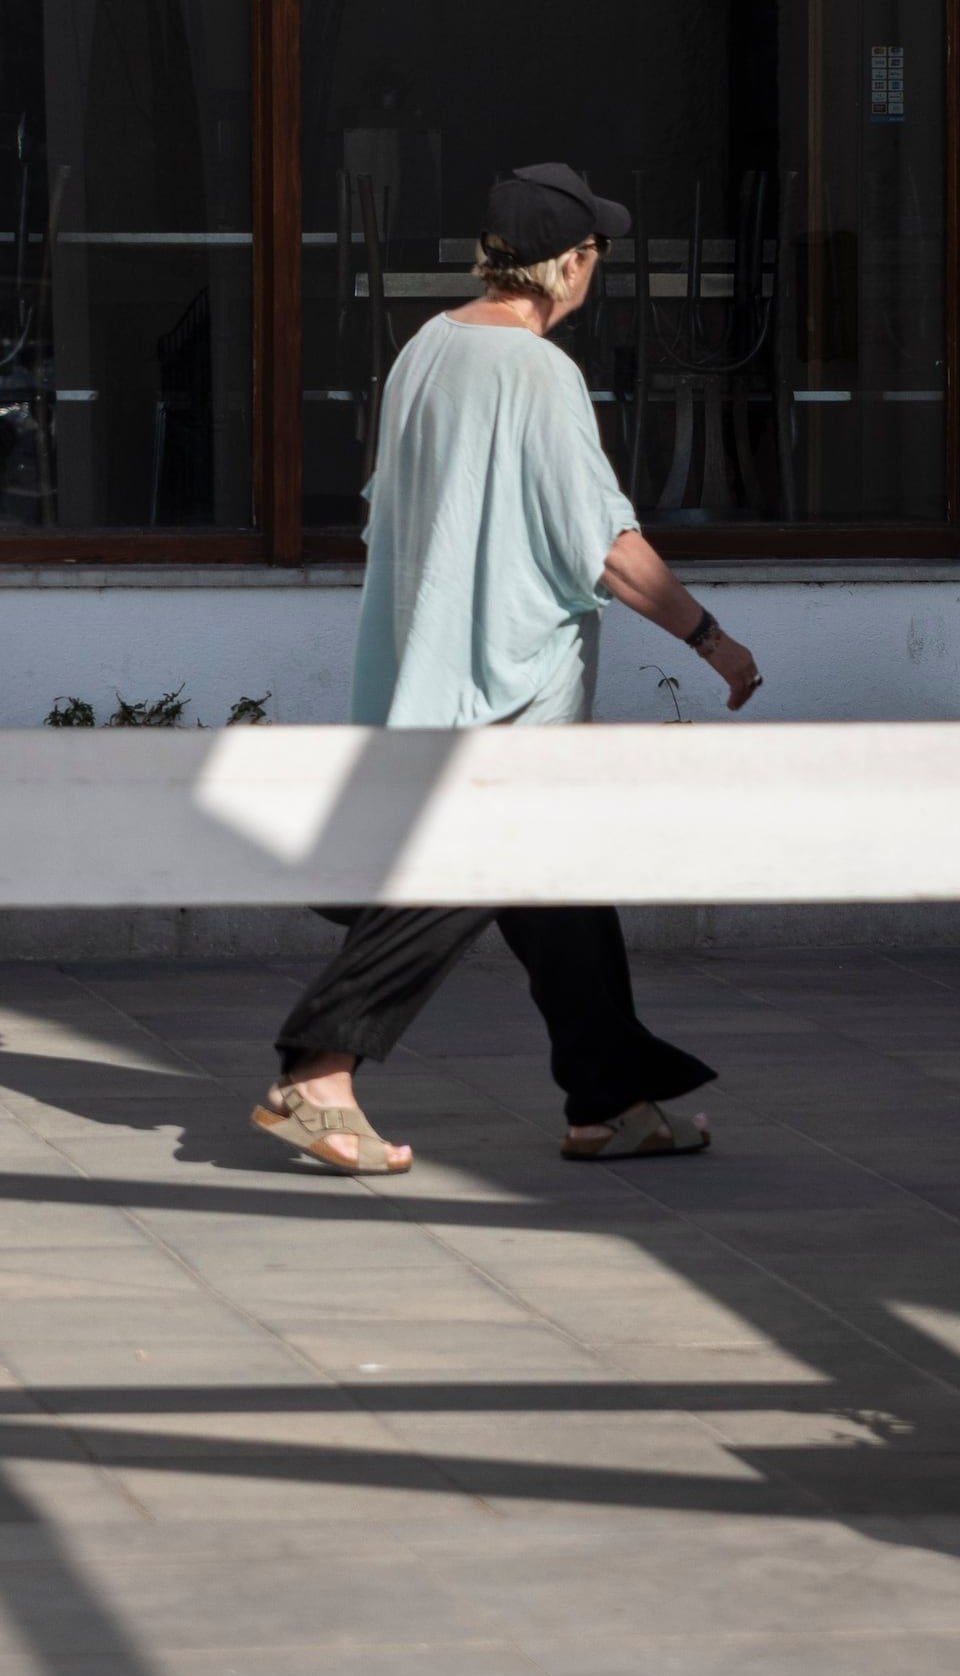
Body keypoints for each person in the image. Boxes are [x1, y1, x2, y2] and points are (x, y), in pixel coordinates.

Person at [251, 161, 765, 1178]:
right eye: (593, 258)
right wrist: (710, 638)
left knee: (556, 886)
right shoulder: (541, 372)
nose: (593, 274)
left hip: (430, 672)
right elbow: (605, 545)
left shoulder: (424, 351)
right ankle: (316, 1074)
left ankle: (609, 1096)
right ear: (568, 264)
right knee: (453, 879)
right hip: (507, 691)